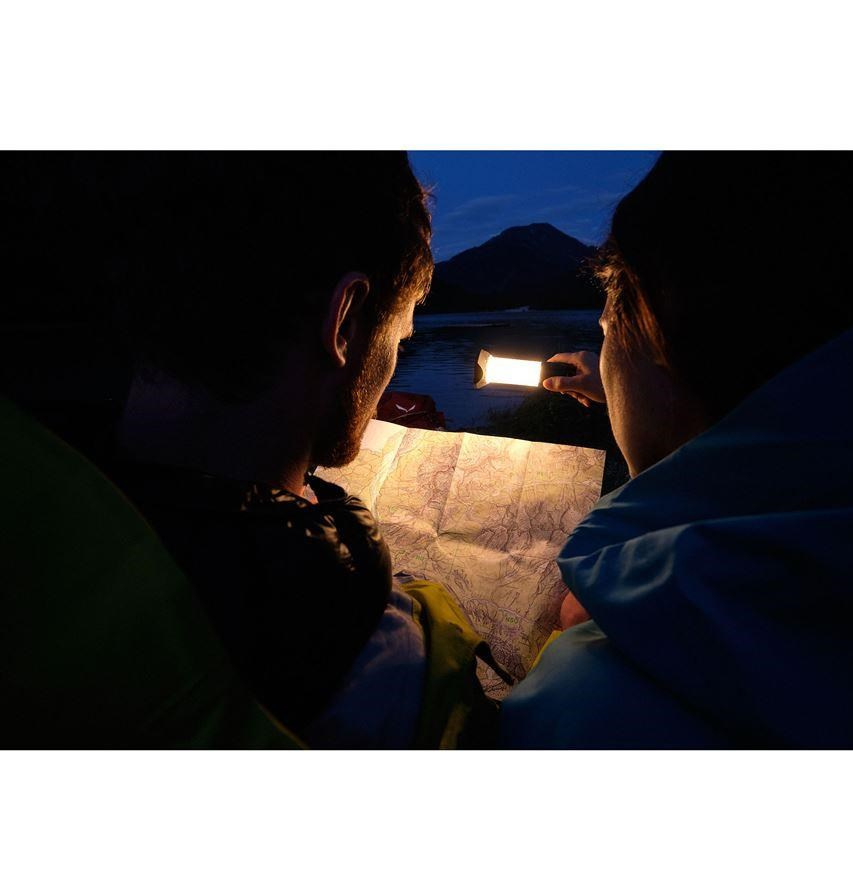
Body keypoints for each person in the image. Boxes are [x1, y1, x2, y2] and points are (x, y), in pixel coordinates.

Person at [3, 152, 497, 748]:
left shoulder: (36, 483)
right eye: (400, 337)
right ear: (344, 321)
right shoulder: (385, 677)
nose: (391, 366)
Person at [500, 151, 853, 748]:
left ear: (658, 336)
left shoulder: (596, 708)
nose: (604, 360)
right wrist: (641, 404)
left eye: (610, 332)